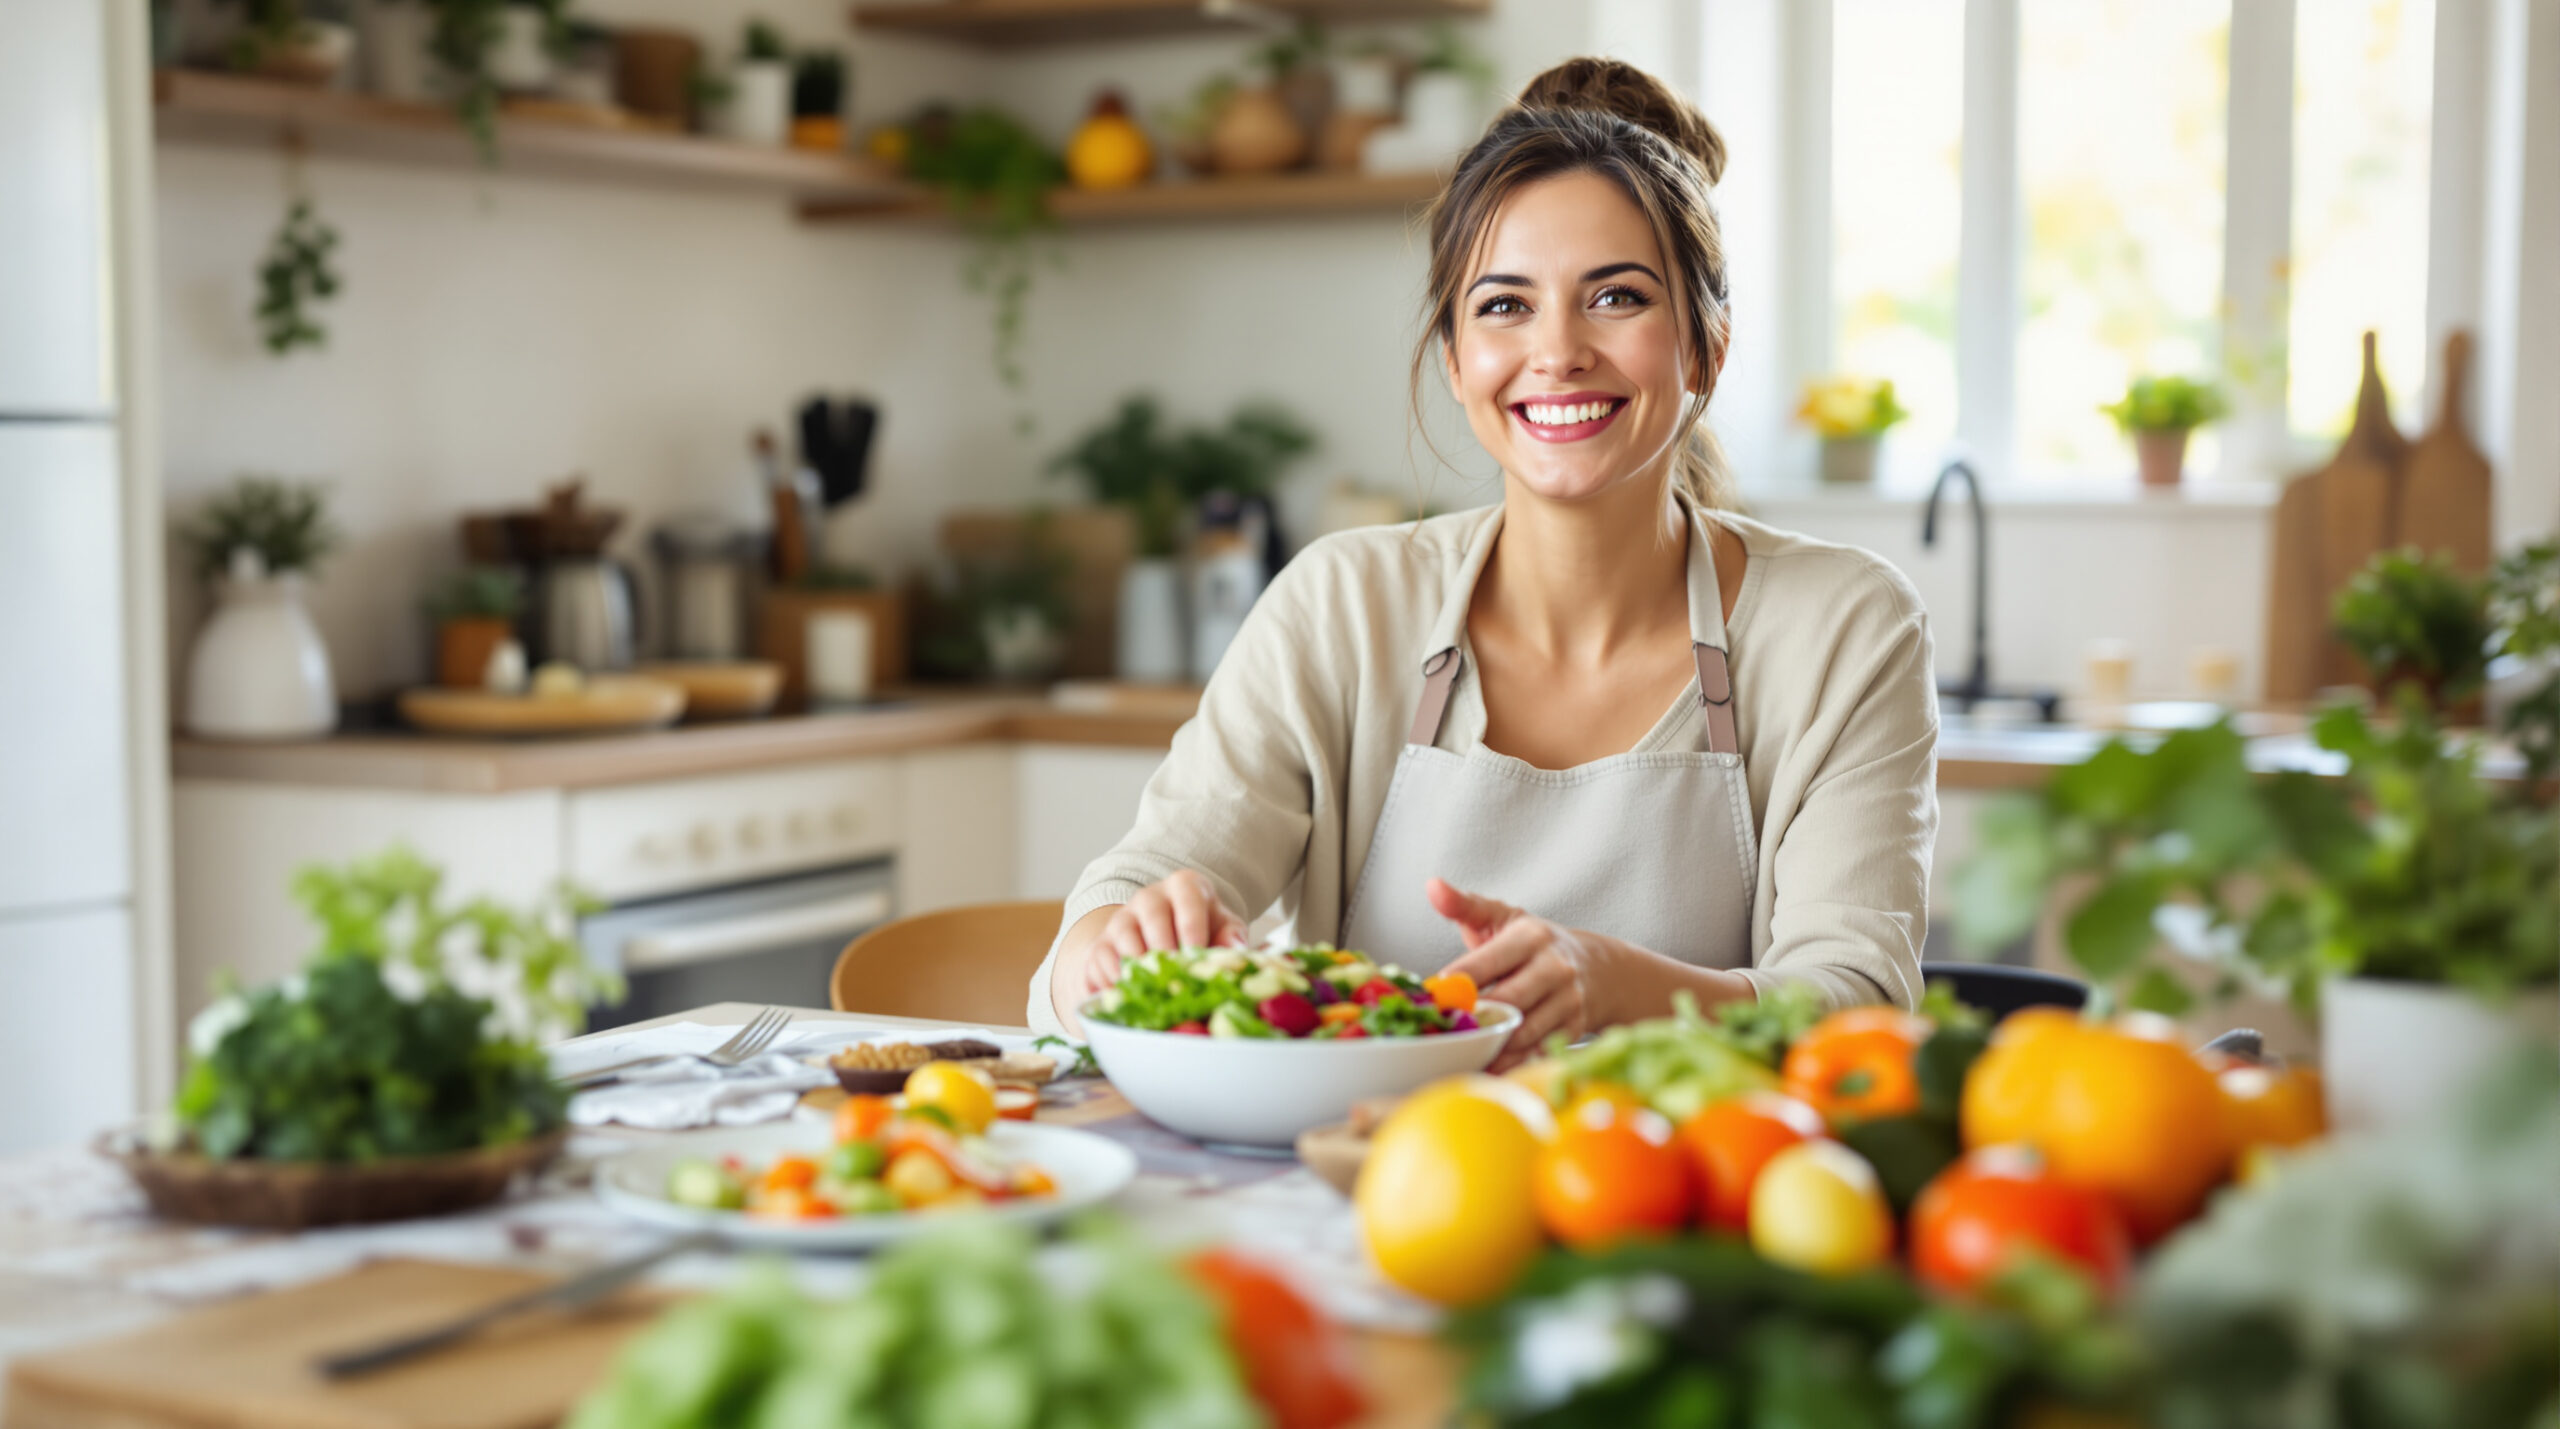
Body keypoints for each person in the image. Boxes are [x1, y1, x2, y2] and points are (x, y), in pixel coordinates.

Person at [1028, 58, 1938, 1069]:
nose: (1556, 352)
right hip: (1377, 1185)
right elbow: (1130, 891)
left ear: (1705, 349)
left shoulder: (1841, 626)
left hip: (1681, 1196)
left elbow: (1859, 1011)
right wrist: (1116, 952)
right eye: (1505, 305)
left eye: (1616, 297)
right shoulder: (1343, 605)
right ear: (1456, 358)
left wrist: (1619, 987)